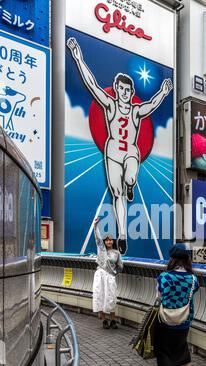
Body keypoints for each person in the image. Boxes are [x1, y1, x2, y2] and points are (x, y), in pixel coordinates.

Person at [67, 37, 173, 254]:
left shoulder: (135, 111)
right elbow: (92, 85)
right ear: (116, 89)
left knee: (130, 178)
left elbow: (151, 105)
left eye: (128, 90)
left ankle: (131, 183)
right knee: (117, 193)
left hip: (131, 151)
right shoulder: (110, 105)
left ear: (131, 92)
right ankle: (123, 234)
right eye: (121, 89)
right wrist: (78, 58)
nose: (124, 93)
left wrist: (163, 91)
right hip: (113, 151)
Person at [154, 243, 200, 366]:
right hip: (185, 320)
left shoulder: (164, 277)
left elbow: (159, 297)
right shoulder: (193, 279)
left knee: (162, 349)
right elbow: (193, 292)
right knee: (182, 345)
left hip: (166, 320)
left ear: (172, 259)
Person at [92, 217, 123, 329]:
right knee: (100, 296)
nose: (109, 241)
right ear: (104, 241)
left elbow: (120, 266)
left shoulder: (116, 253)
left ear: (113, 241)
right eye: (107, 240)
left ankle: (113, 320)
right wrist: (95, 226)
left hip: (110, 276)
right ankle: (104, 320)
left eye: (111, 240)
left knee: (111, 297)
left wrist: (115, 273)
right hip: (100, 275)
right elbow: (97, 238)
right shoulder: (101, 248)